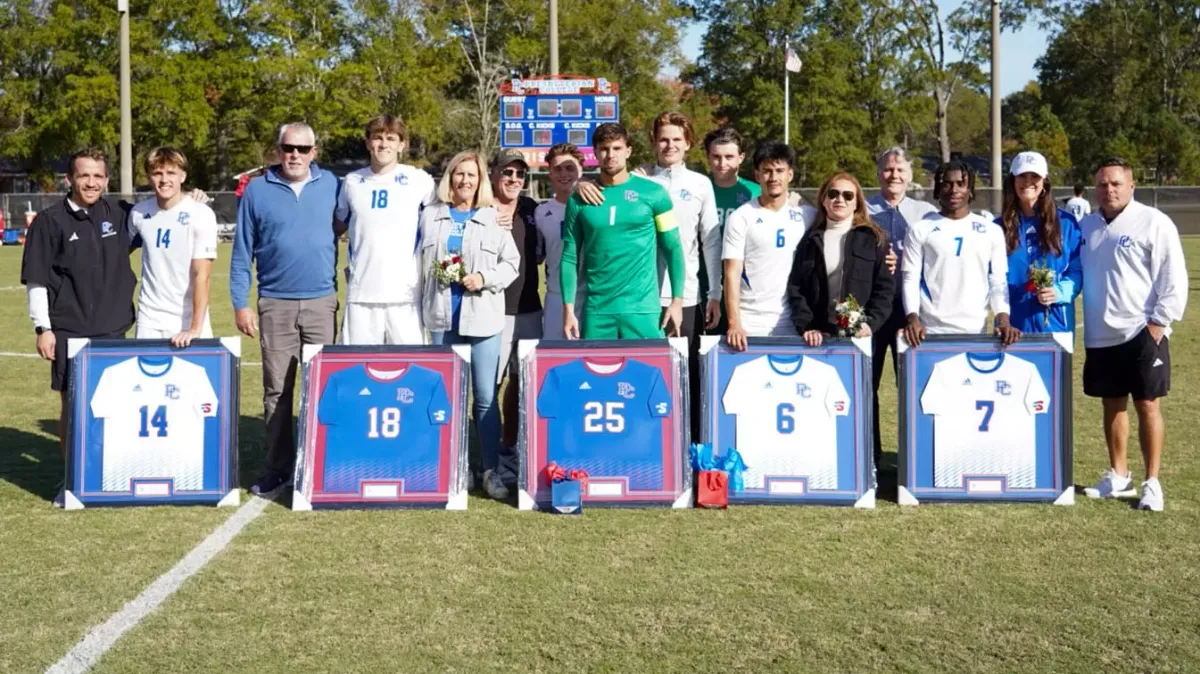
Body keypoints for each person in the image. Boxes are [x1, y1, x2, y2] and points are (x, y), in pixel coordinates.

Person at [230, 122, 341, 496]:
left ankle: (321, 463)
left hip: (321, 302)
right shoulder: (257, 191)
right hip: (274, 303)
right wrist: (239, 304)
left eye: (302, 148)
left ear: (315, 151)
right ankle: (278, 467)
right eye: (288, 147)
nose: (294, 154)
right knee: (277, 390)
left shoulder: (333, 185)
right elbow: (242, 252)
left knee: (323, 388)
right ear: (278, 149)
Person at [1079, 157, 1187, 512]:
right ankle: (1119, 474)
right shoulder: (1087, 226)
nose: (1108, 190)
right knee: (1112, 404)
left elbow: (1174, 276)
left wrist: (1159, 322)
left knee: (1147, 404)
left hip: (1142, 330)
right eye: (1102, 184)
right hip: (1099, 334)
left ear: (1131, 185)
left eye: (1115, 184)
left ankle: (1152, 482)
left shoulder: (1153, 222)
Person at [21, 149, 136, 454]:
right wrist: (42, 328)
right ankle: (72, 480)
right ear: (69, 179)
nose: (91, 182)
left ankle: (108, 471)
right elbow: (37, 281)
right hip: (69, 331)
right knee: (72, 406)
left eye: (98, 176)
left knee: (113, 404)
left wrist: (194, 201)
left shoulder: (121, 214)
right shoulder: (49, 221)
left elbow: (160, 212)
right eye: (84, 175)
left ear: (107, 180)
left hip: (113, 329)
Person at [420, 151, 520, 500]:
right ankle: (452, 467)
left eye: (472, 176)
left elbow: (513, 263)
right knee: (445, 398)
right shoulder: (430, 216)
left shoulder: (493, 217)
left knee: (485, 399)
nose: (465, 181)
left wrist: (485, 277)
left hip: (483, 320)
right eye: (459, 174)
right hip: (441, 318)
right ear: (449, 178)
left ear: (481, 182)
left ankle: (490, 469)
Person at [786, 173, 894, 463]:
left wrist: (870, 323)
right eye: (833, 193)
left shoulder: (873, 238)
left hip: (859, 336)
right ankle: (825, 460)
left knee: (863, 396)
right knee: (822, 397)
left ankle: (868, 462)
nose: (839, 200)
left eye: (848, 195)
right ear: (823, 198)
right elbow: (797, 289)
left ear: (857, 202)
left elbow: (884, 288)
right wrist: (807, 326)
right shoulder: (810, 240)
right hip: (821, 335)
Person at [560, 122, 686, 339]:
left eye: (617, 148)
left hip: (642, 310)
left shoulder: (655, 194)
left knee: (647, 373)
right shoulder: (578, 200)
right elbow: (570, 257)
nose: (611, 155)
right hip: (597, 312)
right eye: (604, 149)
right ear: (595, 153)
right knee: (598, 373)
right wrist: (568, 311)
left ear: (628, 151)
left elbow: (673, 248)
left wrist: (677, 301)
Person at [335, 114, 435, 345]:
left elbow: (444, 219)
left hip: (405, 296)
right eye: (377, 138)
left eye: (391, 138)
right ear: (368, 142)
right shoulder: (351, 182)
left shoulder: (419, 180)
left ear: (402, 144)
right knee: (357, 369)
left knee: (410, 368)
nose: (383, 144)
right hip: (361, 294)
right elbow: (335, 226)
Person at [864, 147, 935, 465]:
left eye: (899, 169)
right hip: (872, 309)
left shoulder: (925, 212)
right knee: (868, 381)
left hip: (911, 311)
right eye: (888, 169)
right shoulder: (862, 208)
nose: (894, 175)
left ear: (910, 174)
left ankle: (915, 456)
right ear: (879, 173)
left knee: (912, 383)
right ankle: (871, 454)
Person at [902, 160, 1020, 347]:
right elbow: (910, 279)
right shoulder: (919, 229)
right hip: (930, 331)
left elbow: (998, 281)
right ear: (938, 190)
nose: (954, 189)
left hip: (975, 329)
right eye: (947, 183)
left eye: (961, 184)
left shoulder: (992, 231)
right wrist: (912, 318)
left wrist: (1003, 319)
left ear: (970, 190)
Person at [722, 141, 816, 351]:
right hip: (751, 323)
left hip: (794, 322)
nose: (773, 178)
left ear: (790, 175)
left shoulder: (807, 216)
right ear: (757, 175)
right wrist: (734, 324)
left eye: (780, 171)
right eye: (767, 171)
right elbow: (731, 273)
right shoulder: (741, 217)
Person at [127, 147, 219, 346]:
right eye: (157, 173)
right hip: (149, 319)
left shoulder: (200, 213)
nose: (164, 180)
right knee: (146, 376)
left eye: (171, 173)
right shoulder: (138, 213)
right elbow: (118, 251)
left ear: (183, 176)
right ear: (149, 177)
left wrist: (194, 328)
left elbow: (201, 275)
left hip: (187, 318)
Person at [492, 150, 543, 463]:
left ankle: (509, 445)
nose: (513, 179)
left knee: (521, 382)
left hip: (529, 308)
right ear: (494, 172)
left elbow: (538, 254)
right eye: (507, 172)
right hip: (493, 310)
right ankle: (489, 451)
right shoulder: (481, 208)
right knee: (489, 385)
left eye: (520, 174)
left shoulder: (530, 208)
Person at [994, 151, 1082, 333]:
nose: (1028, 182)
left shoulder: (1066, 224)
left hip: (1056, 326)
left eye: (1034, 176)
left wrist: (1058, 292)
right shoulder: (996, 228)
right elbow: (992, 278)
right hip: (1011, 329)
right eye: (1022, 176)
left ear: (1045, 182)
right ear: (1012, 181)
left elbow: (1076, 271)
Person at [704, 127, 760, 335]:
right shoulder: (699, 188)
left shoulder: (755, 191)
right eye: (716, 157)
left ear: (741, 157)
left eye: (729, 156)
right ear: (708, 157)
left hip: (744, 286)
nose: (722, 163)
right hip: (703, 281)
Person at [535, 143, 586, 339]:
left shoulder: (597, 205)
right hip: (556, 297)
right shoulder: (541, 212)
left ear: (581, 170)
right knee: (556, 360)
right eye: (557, 168)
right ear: (549, 172)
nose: (564, 174)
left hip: (591, 297)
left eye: (569, 168)